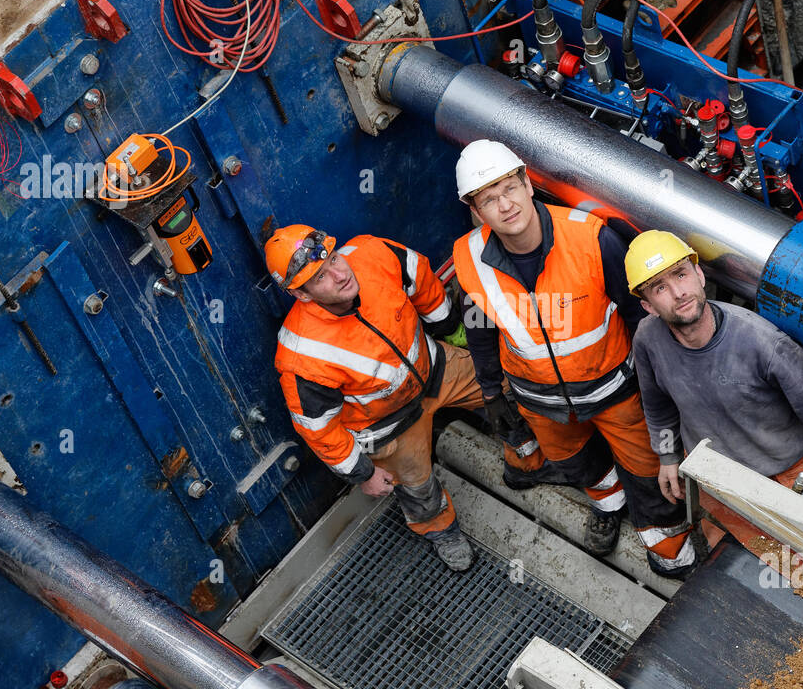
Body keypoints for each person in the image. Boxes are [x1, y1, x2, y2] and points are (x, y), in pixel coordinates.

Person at [451, 140, 696, 579]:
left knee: (649, 472)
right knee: (579, 464)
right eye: (489, 199)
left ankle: (670, 550)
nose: (505, 206)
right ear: (475, 209)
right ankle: (610, 506)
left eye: (510, 188)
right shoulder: (469, 259)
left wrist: (661, 386)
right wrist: (491, 392)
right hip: (540, 404)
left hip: (615, 393)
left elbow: (639, 319)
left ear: (528, 183)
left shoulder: (592, 239)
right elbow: (480, 328)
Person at [268, 223, 537, 571]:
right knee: (417, 488)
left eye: (333, 258)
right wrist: (363, 474)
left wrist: (447, 326)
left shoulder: (373, 253)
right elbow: (318, 430)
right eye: (320, 277)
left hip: (434, 369)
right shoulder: (302, 355)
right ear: (301, 294)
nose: (339, 274)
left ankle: (525, 462)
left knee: (508, 387)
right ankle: (441, 530)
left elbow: (420, 276)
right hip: (388, 425)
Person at [626, 230, 803, 511]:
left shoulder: (762, 342)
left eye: (681, 274)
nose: (678, 293)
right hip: (716, 474)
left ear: (699, 275)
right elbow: (656, 403)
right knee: (730, 540)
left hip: (788, 471)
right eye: (660, 288)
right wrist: (668, 456)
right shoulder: (648, 339)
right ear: (648, 306)